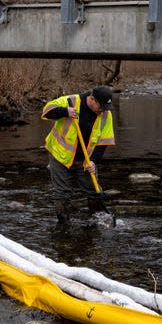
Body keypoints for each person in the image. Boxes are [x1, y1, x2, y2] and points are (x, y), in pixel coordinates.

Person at [41, 86, 115, 222]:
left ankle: (99, 221)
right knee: (62, 193)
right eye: (101, 106)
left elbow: (103, 142)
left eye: (106, 107)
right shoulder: (71, 101)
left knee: (94, 191)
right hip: (60, 157)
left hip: (85, 160)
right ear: (92, 99)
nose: (103, 110)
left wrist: (93, 161)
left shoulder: (105, 114)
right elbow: (46, 111)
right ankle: (63, 225)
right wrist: (64, 111)